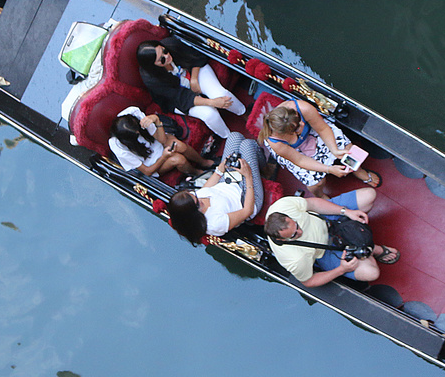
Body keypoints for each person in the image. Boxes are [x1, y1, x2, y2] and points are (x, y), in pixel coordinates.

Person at [264, 190, 398, 287]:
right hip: (325, 252)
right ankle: (373, 249)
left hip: (325, 219)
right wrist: (342, 269)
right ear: (282, 240)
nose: (301, 231)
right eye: (294, 235)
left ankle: (368, 248)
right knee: (371, 273)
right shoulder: (294, 259)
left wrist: (346, 211)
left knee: (369, 195)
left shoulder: (282, 207)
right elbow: (309, 281)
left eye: (297, 225)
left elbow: (313, 205)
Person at [258, 97, 380, 193]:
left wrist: (335, 150)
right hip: (294, 151)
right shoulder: (276, 143)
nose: (302, 125)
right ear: (286, 133)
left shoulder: (302, 108)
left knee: (347, 150)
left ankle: (358, 170)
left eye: (299, 120)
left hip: (314, 131)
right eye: (297, 128)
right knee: (316, 183)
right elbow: (300, 160)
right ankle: (320, 195)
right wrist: (329, 169)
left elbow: (322, 128)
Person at [137, 37, 245, 139]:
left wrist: (194, 79)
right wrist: (212, 102)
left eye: (164, 51)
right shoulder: (152, 80)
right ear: (153, 65)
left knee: (221, 94)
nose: (167, 56)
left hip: (193, 72)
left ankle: (243, 113)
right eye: (161, 59)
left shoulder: (171, 44)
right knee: (210, 115)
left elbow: (197, 57)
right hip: (177, 98)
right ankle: (228, 136)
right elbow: (181, 97)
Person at [165, 132, 262, 242]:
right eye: (197, 204)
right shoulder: (214, 224)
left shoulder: (192, 199)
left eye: (194, 196)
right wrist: (248, 176)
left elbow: (206, 189)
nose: (200, 200)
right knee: (247, 145)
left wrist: (220, 169)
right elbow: (247, 211)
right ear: (192, 214)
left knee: (234, 137)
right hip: (246, 199)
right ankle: (266, 168)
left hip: (227, 182)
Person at [109, 106, 211, 178]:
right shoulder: (118, 146)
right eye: (136, 134)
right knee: (179, 159)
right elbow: (147, 172)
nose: (138, 132)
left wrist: (156, 120)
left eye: (138, 130)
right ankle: (197, 172)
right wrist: (164, 157)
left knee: (180, 146)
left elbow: (162, 140)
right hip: (152, 164)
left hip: (157, 143)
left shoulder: (133, 113)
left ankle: (203, 162)